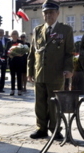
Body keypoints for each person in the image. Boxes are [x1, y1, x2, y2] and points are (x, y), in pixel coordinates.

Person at [27, 0, 74, 139]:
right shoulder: (37, 30)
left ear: (57, 13)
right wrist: (30, 72)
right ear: (43, 15)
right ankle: (41, 128)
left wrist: (68, 69)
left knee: (54, 104)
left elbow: (69, 52)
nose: (49, 15)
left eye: (51, 12)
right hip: (39, 73)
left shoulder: (65, 30)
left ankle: (55, 129)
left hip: (56, 74)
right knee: (40, 104)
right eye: (46, 13)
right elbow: (32, 53)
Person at [6, 30, 24, 96]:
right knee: (12, 76)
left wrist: (21, 54)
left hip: (19, 61)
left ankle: (19, 90)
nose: (14, 35)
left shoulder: (21, 42)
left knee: (19, 76)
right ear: (11, 35)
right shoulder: (9, 43)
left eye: (15, 34)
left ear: (17, 35)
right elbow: (6, 52)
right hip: (12, 61)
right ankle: (12, 90)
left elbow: (23, 51)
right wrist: (9, 55)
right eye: (13, 34)